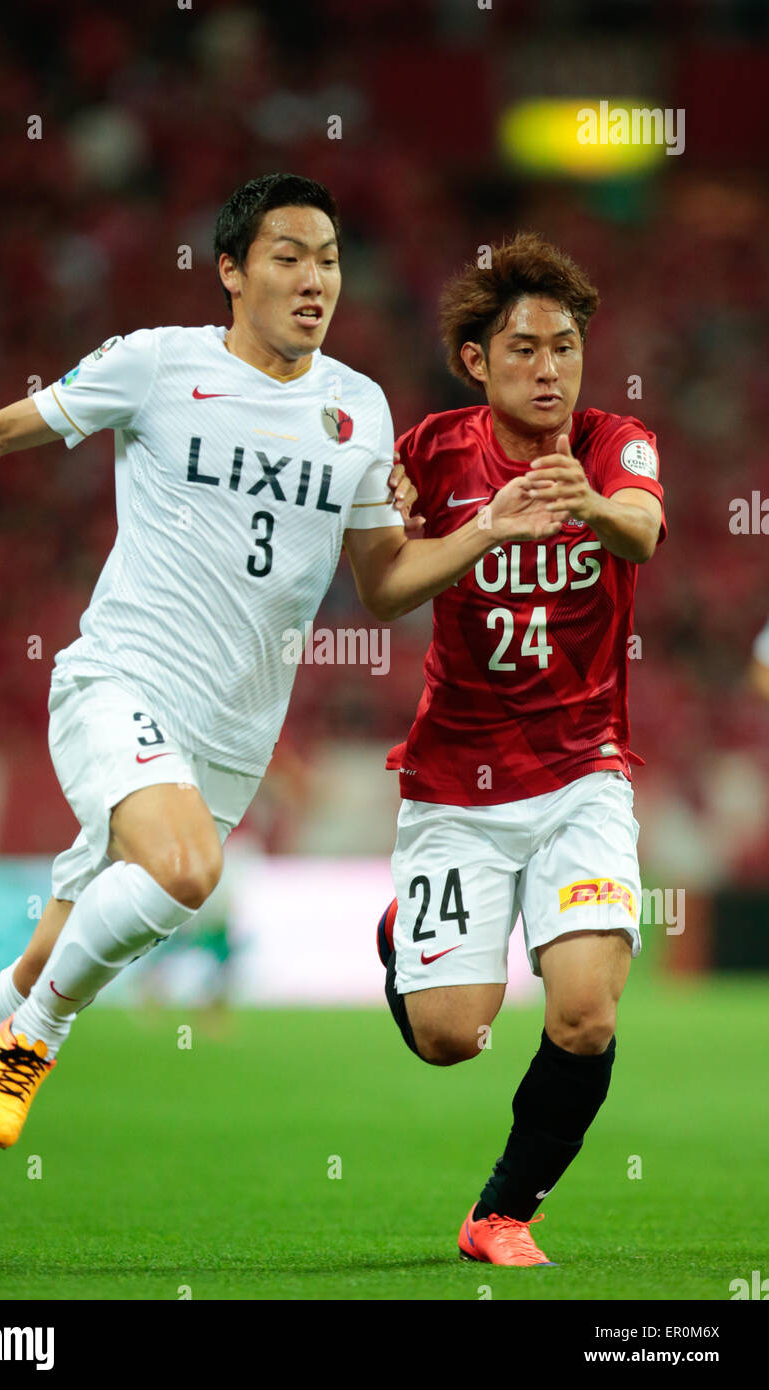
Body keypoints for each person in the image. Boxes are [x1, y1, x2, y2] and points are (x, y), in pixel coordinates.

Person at [0, 176, 559, 1179]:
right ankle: (37, 1040)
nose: (313, 280)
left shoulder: (356, 408)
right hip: (118, 683)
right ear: (230, 271)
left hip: (229, 742)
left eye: (329, 259)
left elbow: (382, 586)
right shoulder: (157, 364)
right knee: (186, 870)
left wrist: (484, 528)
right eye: (288, 256)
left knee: (44, 955)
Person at [375, 232, 666, 1266]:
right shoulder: (426, 452)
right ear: (475, 362)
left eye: (566, 347)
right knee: (450, 1034)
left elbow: (638, 525)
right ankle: (398, 939)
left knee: (583, 1012)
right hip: (455, 783)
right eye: (524, 350)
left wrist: (590, 503)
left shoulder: (613, 441)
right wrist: (422, 526)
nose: (549, 369)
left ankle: (501, 1212)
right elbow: (380, 582)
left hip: (584, 770)